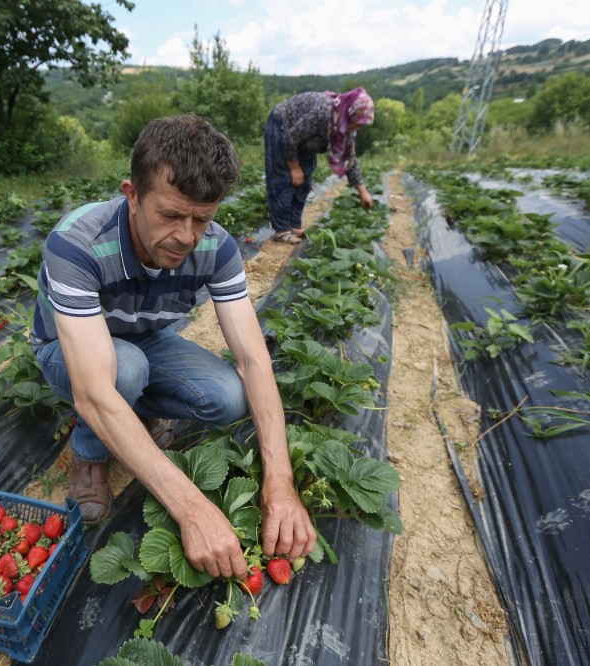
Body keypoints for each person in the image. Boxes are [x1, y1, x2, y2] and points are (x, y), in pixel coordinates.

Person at [30, 113, 316, 580]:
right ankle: (90, 454)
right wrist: (191, 508)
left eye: (201, 218)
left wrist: (280, 483)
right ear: (132, 194)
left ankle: (134, 413)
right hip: (68, 346)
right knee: (122, 372)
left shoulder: (217, 247)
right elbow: (93, 391)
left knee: (229, 396)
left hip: (145, 336)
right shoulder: (77, 243)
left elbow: (252, 359)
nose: (186, 236)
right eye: (169, 215)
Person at [264, 87, 376, 244]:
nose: (358, 128)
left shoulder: (345, 126)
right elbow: (291, 137)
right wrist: (294, 167)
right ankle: (282, 230)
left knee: (304, 182)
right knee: (284, 178)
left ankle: (294, 225)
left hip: (304, 141)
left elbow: (349, 158)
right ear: (350, 113)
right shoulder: (324, 112)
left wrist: (363, 191)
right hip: (283, 125)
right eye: (358, 123)